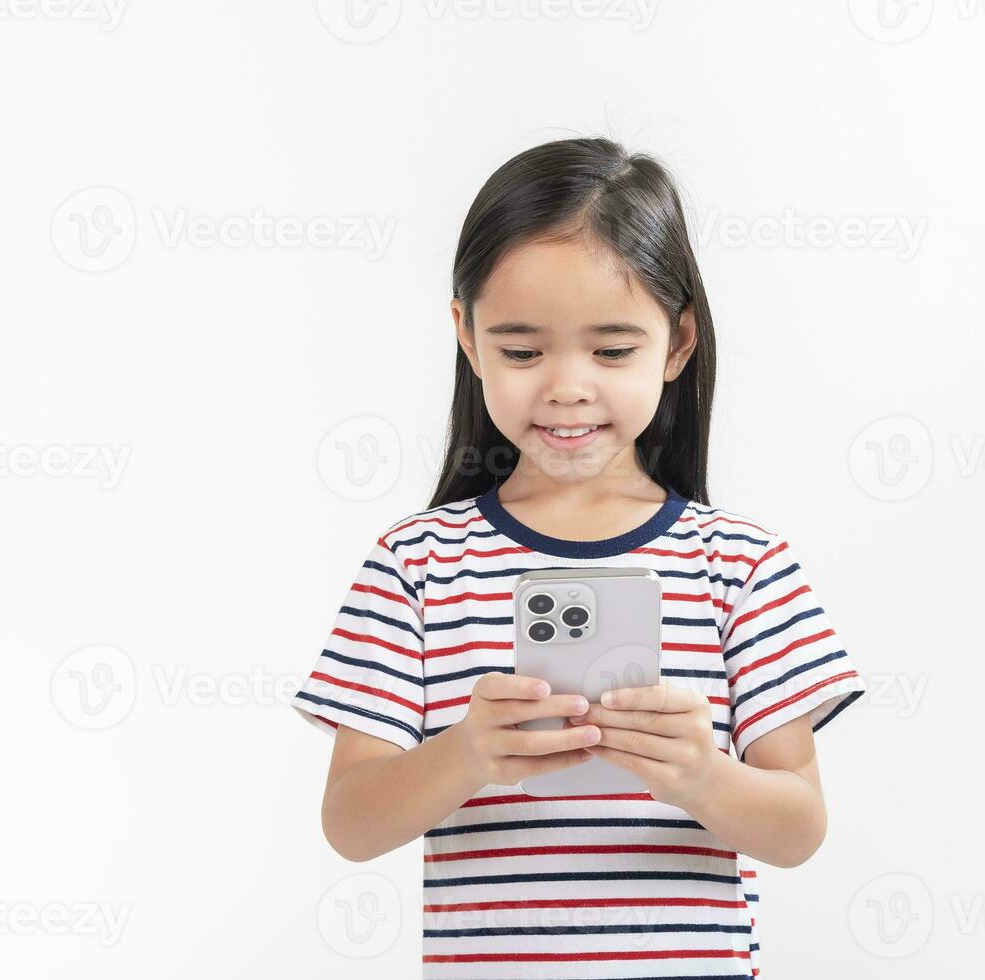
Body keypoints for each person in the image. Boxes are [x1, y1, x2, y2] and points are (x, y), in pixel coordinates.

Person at [290, 135, 867, 978]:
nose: (565, 386)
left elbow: (800, 827)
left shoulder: (741, 566)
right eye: (523, 351)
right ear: (468, 335)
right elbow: (350, 822)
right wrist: (466, 753)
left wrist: (702, 775)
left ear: (676, 345)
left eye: (611, 349)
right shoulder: (416, 565)